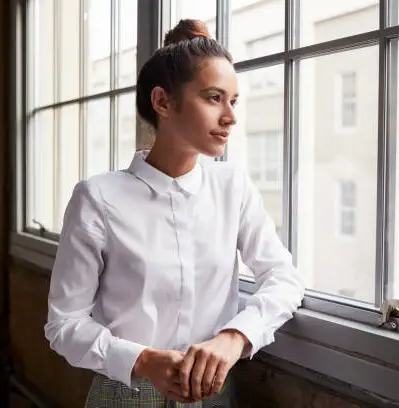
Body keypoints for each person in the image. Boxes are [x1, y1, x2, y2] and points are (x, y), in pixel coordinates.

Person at [44, 19, 304, 408]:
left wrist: (234, 337)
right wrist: (144, 361)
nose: (230, 116)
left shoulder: (232, 186)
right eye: (214, 98)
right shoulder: (97, 198)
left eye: (233, 101)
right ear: (164, 102)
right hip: (124, 396)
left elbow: (283, 278)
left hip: (214, 395)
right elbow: (64, 325)